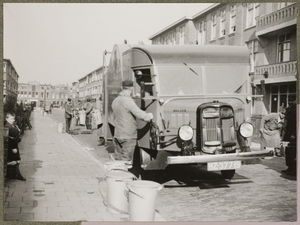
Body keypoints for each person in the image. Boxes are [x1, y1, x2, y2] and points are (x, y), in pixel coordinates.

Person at [112, 80, 153, 163]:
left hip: (118, 134)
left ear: (121, 88)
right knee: (126, 161)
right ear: (131, 88)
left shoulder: (116, 100)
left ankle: (118, 175)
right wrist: (149, 116)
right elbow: (139, 114)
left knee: (118, 161)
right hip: (128, 135)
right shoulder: (128, 101)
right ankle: (124, 175)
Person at [5, 112, 26, 181]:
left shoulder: (11, 125)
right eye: (11, 119)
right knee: (15, 160)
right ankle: (17, 175)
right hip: (11, 146)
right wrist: (18, 130)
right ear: (6, 119)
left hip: (13, 145)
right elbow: (14, 134)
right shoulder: (8, 126)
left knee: (15, 160)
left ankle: (13, 174)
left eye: (13, 118)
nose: (13, 120)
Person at [281, 94, 297, 176]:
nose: (290, 102)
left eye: (292, 100)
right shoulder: (288, 109)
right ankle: (289, 167)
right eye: (289, 100)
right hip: (287, 133)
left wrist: (294, 134)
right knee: (288, 152)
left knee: (293, 153)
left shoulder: (297, 109)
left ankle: (294, 169)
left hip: (294, 135)